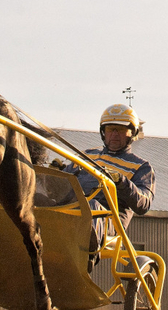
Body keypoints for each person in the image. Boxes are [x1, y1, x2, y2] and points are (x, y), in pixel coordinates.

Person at [61, 104, 156, 272]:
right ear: (103, 132)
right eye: (110, 129)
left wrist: (121, 182)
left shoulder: (141, 167)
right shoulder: (86, 156)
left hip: (108, 220)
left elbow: (144, 204)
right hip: (72, 211)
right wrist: (56, 173)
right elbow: (61, 185)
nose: (114, 134)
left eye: (120, 130)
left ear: (132, 133)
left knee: (91, 207)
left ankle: (83, 266)